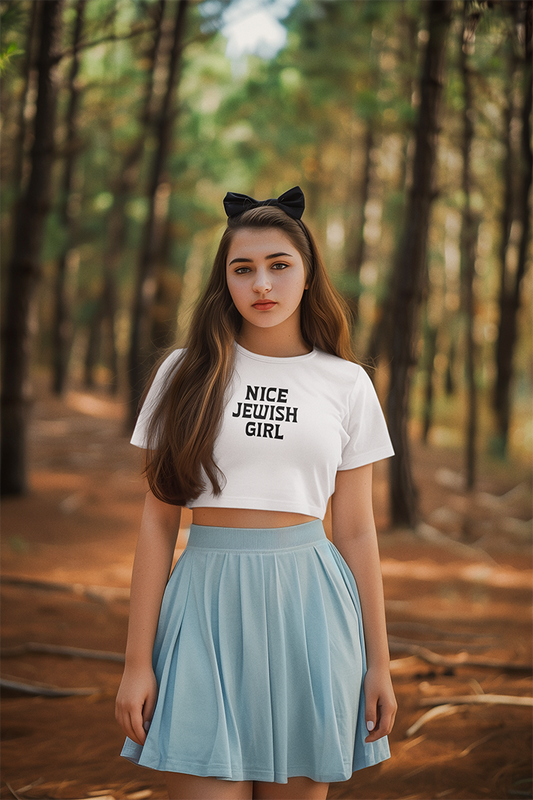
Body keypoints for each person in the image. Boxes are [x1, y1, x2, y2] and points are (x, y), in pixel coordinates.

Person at [115, 186, 397, 800]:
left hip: (312, 610)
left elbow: (354, 530)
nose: (261, 284)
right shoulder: (185, 373)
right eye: (243, 269)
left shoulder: (346, 384)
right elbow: (158, 524)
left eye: (279, 265)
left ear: (307, 273)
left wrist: (379, 659)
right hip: (204, 606)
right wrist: (138, 662)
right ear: (225, 281)